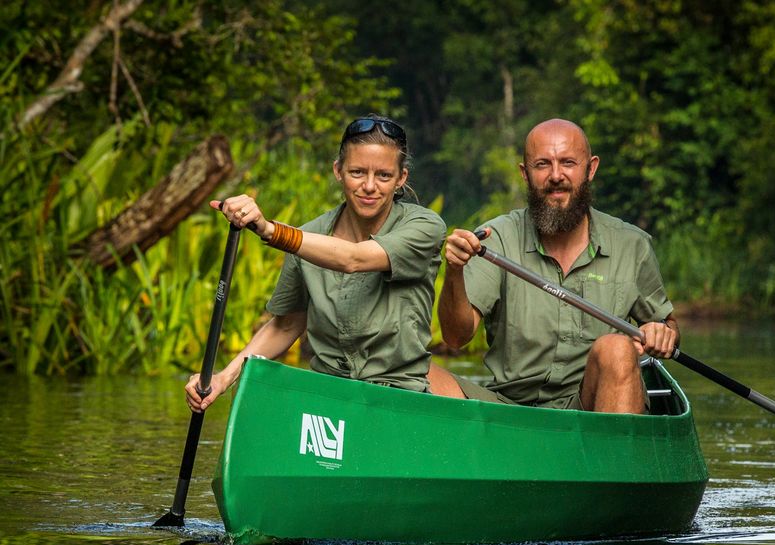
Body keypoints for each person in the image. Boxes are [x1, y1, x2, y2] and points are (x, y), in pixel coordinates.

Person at [186, 115, 446, 412]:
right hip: (327, 394)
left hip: (398, 396)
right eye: (357, 172)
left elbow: (353, 258)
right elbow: (286, 324)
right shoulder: (309, 234)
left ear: (401, 178)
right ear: (338, 171)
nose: (370, 186)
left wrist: (269, 230)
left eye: (384, 176)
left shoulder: (425, 226)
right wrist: (223, 378)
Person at [428, 118, 678, 413]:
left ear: (591, 168)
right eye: (542, 164)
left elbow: (667, 324)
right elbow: (456, 338)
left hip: (591, 407)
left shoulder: (631, 245)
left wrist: (663, 332)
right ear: (525, 173)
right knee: (412, 369)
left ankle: (613, 453)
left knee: (617, 347)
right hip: (508, 407)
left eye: (568, 162)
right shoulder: (496, 238)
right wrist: (455, 270)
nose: (556, 175)